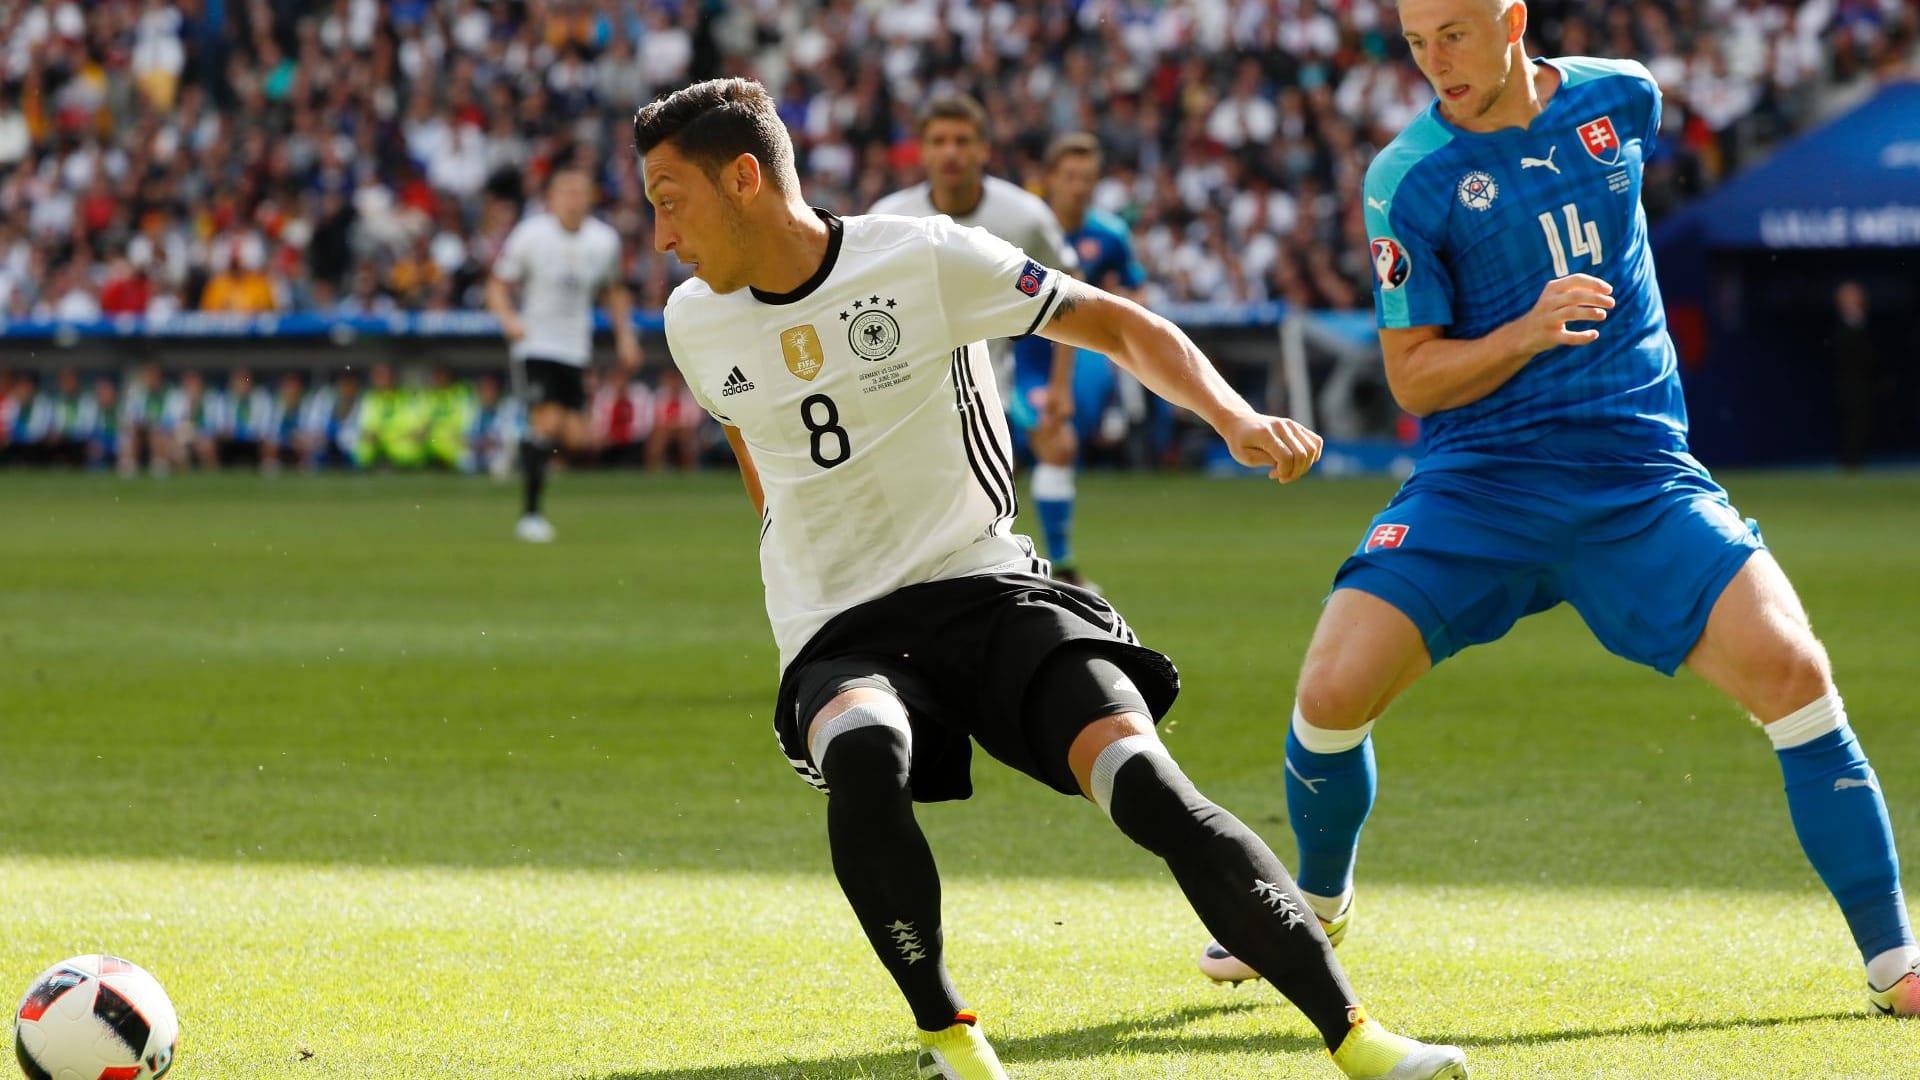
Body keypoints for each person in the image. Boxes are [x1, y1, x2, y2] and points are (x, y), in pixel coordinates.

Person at [636, 77, 1468, 1080]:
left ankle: (1361, 1040)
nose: (659, 234)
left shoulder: (926, 258)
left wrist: (1235, 418)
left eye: (667, 198)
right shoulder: (694, 321)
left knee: (1146, 784)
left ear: (742, 178)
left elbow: (1118, 325)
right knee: (861, 751)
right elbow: (754, 453)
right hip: (839, 628)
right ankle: (952, 1038)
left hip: (986, 588)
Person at [1195, 0, 1920, 1020]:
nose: (1432, 63)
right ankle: (1316, 901)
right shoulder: (1406, 178)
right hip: (1480, 479)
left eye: (1452, 35)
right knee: (1330, 690)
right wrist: (1527, 332)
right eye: (1413, 43)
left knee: (1795, 670)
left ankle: (1897, 959)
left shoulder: (1623, 98)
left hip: (1635, 472)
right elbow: (1412, 380)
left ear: (1511, 21)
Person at [869, 97, 1095, 588]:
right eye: (938, 141)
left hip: (1002, 374)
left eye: (962, 140)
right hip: (914, 385)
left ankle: (1060, 570)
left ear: (984, 150)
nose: (950, 152)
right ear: (922, 152)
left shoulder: (1025, 216)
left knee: (1043, 453)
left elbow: (1071, 297)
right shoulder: (888, 219)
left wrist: (1060, 387)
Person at [486, 163, 642, 542]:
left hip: (576, 347)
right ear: (551, 197)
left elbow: (614, 291)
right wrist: (509, 320)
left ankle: (516, 442)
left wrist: (626, 336)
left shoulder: (603, 241)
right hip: (536, 343)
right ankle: (531, 516)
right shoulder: (531, 235)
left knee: (578, 437)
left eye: (579, 192)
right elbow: (498, 285)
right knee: (549, 422)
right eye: (565, 192)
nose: (573, 200)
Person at [1041, 133, 1155, 469]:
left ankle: (1123, 433)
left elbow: (1138, 292)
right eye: (1070, 177)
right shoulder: (1030, 229)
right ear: (1051, 179)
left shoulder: (1111, 233)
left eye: (1088, 178)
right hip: (1030, 345)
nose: (1079, 187)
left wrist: (1119, 299)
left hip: (1089, 346)